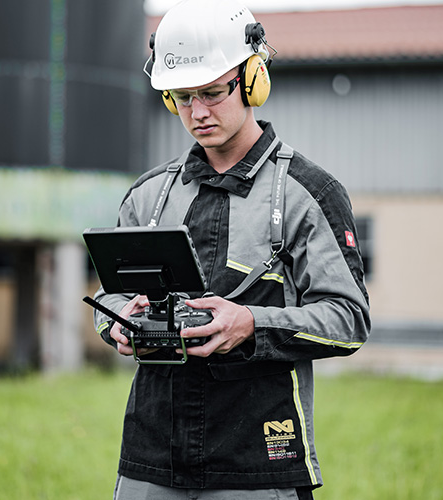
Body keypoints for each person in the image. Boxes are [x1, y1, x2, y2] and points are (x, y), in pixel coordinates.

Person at [92, 1, 370, 498]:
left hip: (258, 460)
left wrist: (252, 324)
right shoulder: (148, 196)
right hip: (151, 458)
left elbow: (348, 319)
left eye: (213, 93)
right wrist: (117, 319)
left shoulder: (308, 194)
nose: (197, 112)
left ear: (252, 78)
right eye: (182, 97)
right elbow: (109, 297)